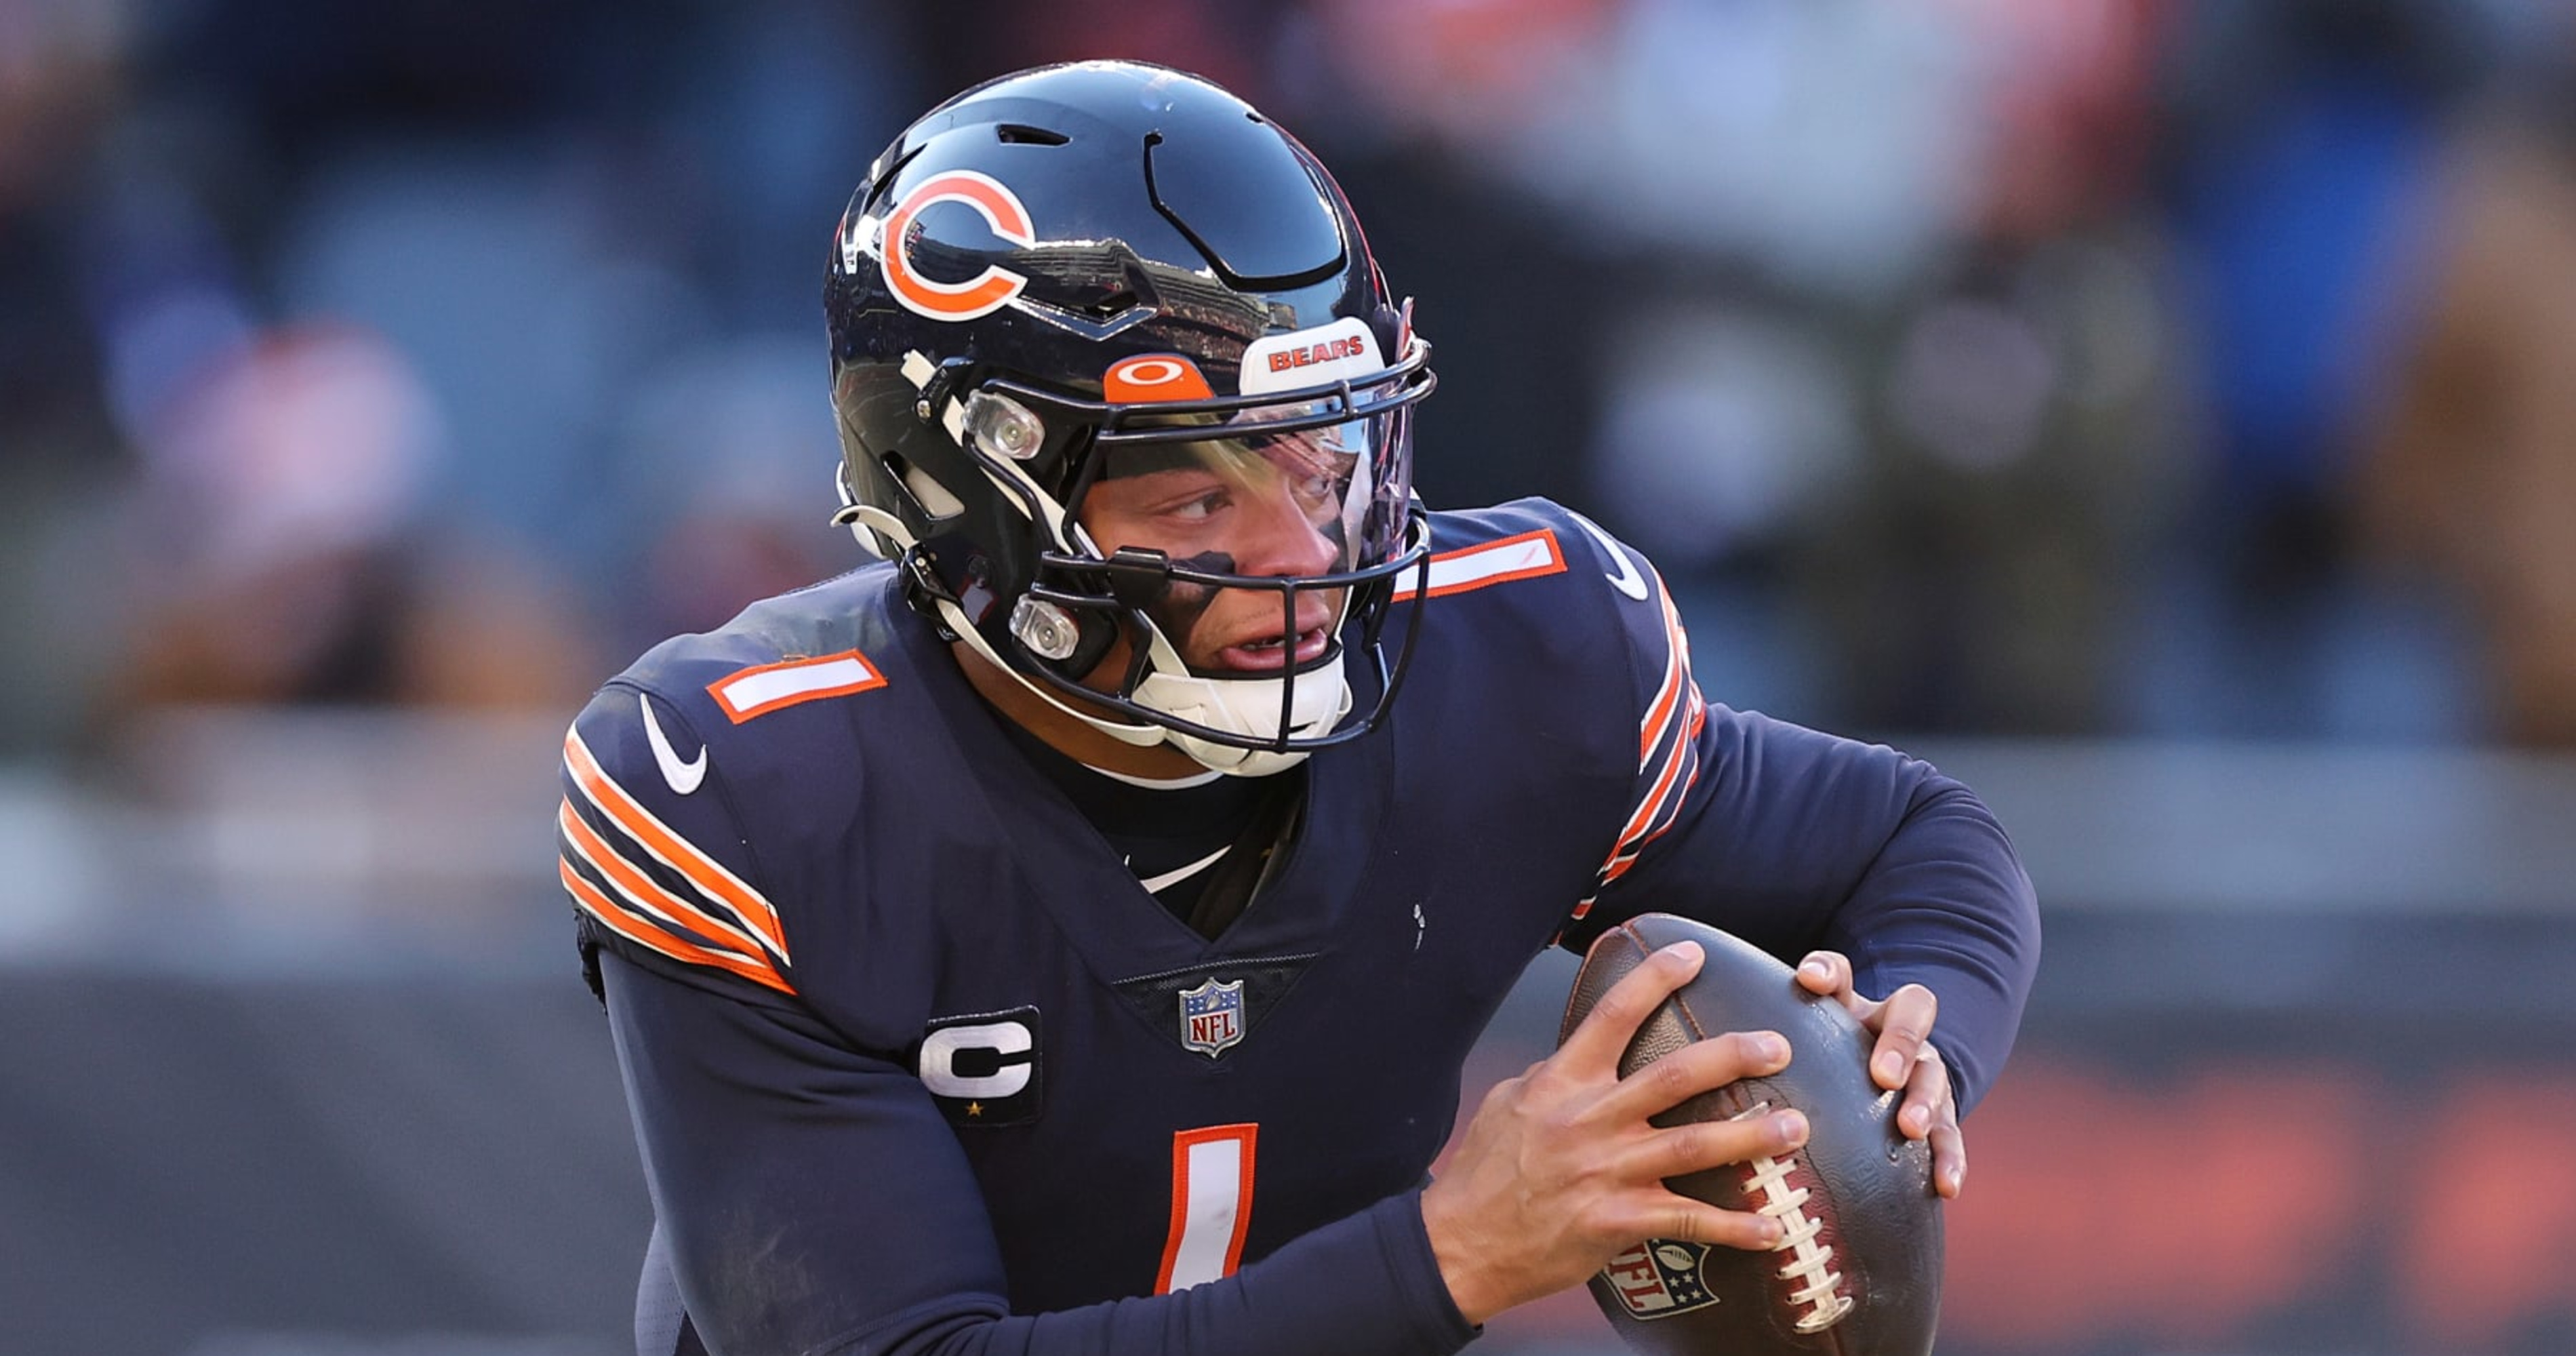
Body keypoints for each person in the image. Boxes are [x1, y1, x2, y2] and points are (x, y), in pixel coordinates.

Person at [555, 59, 2039, 1356]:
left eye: (1325, 463)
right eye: (1200, 492)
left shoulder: (1518, 657)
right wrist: (1454, 1255)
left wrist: (1911, 1064)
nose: (1305, 558)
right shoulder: (759, 786)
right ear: (974, 506)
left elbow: (1920, 838)